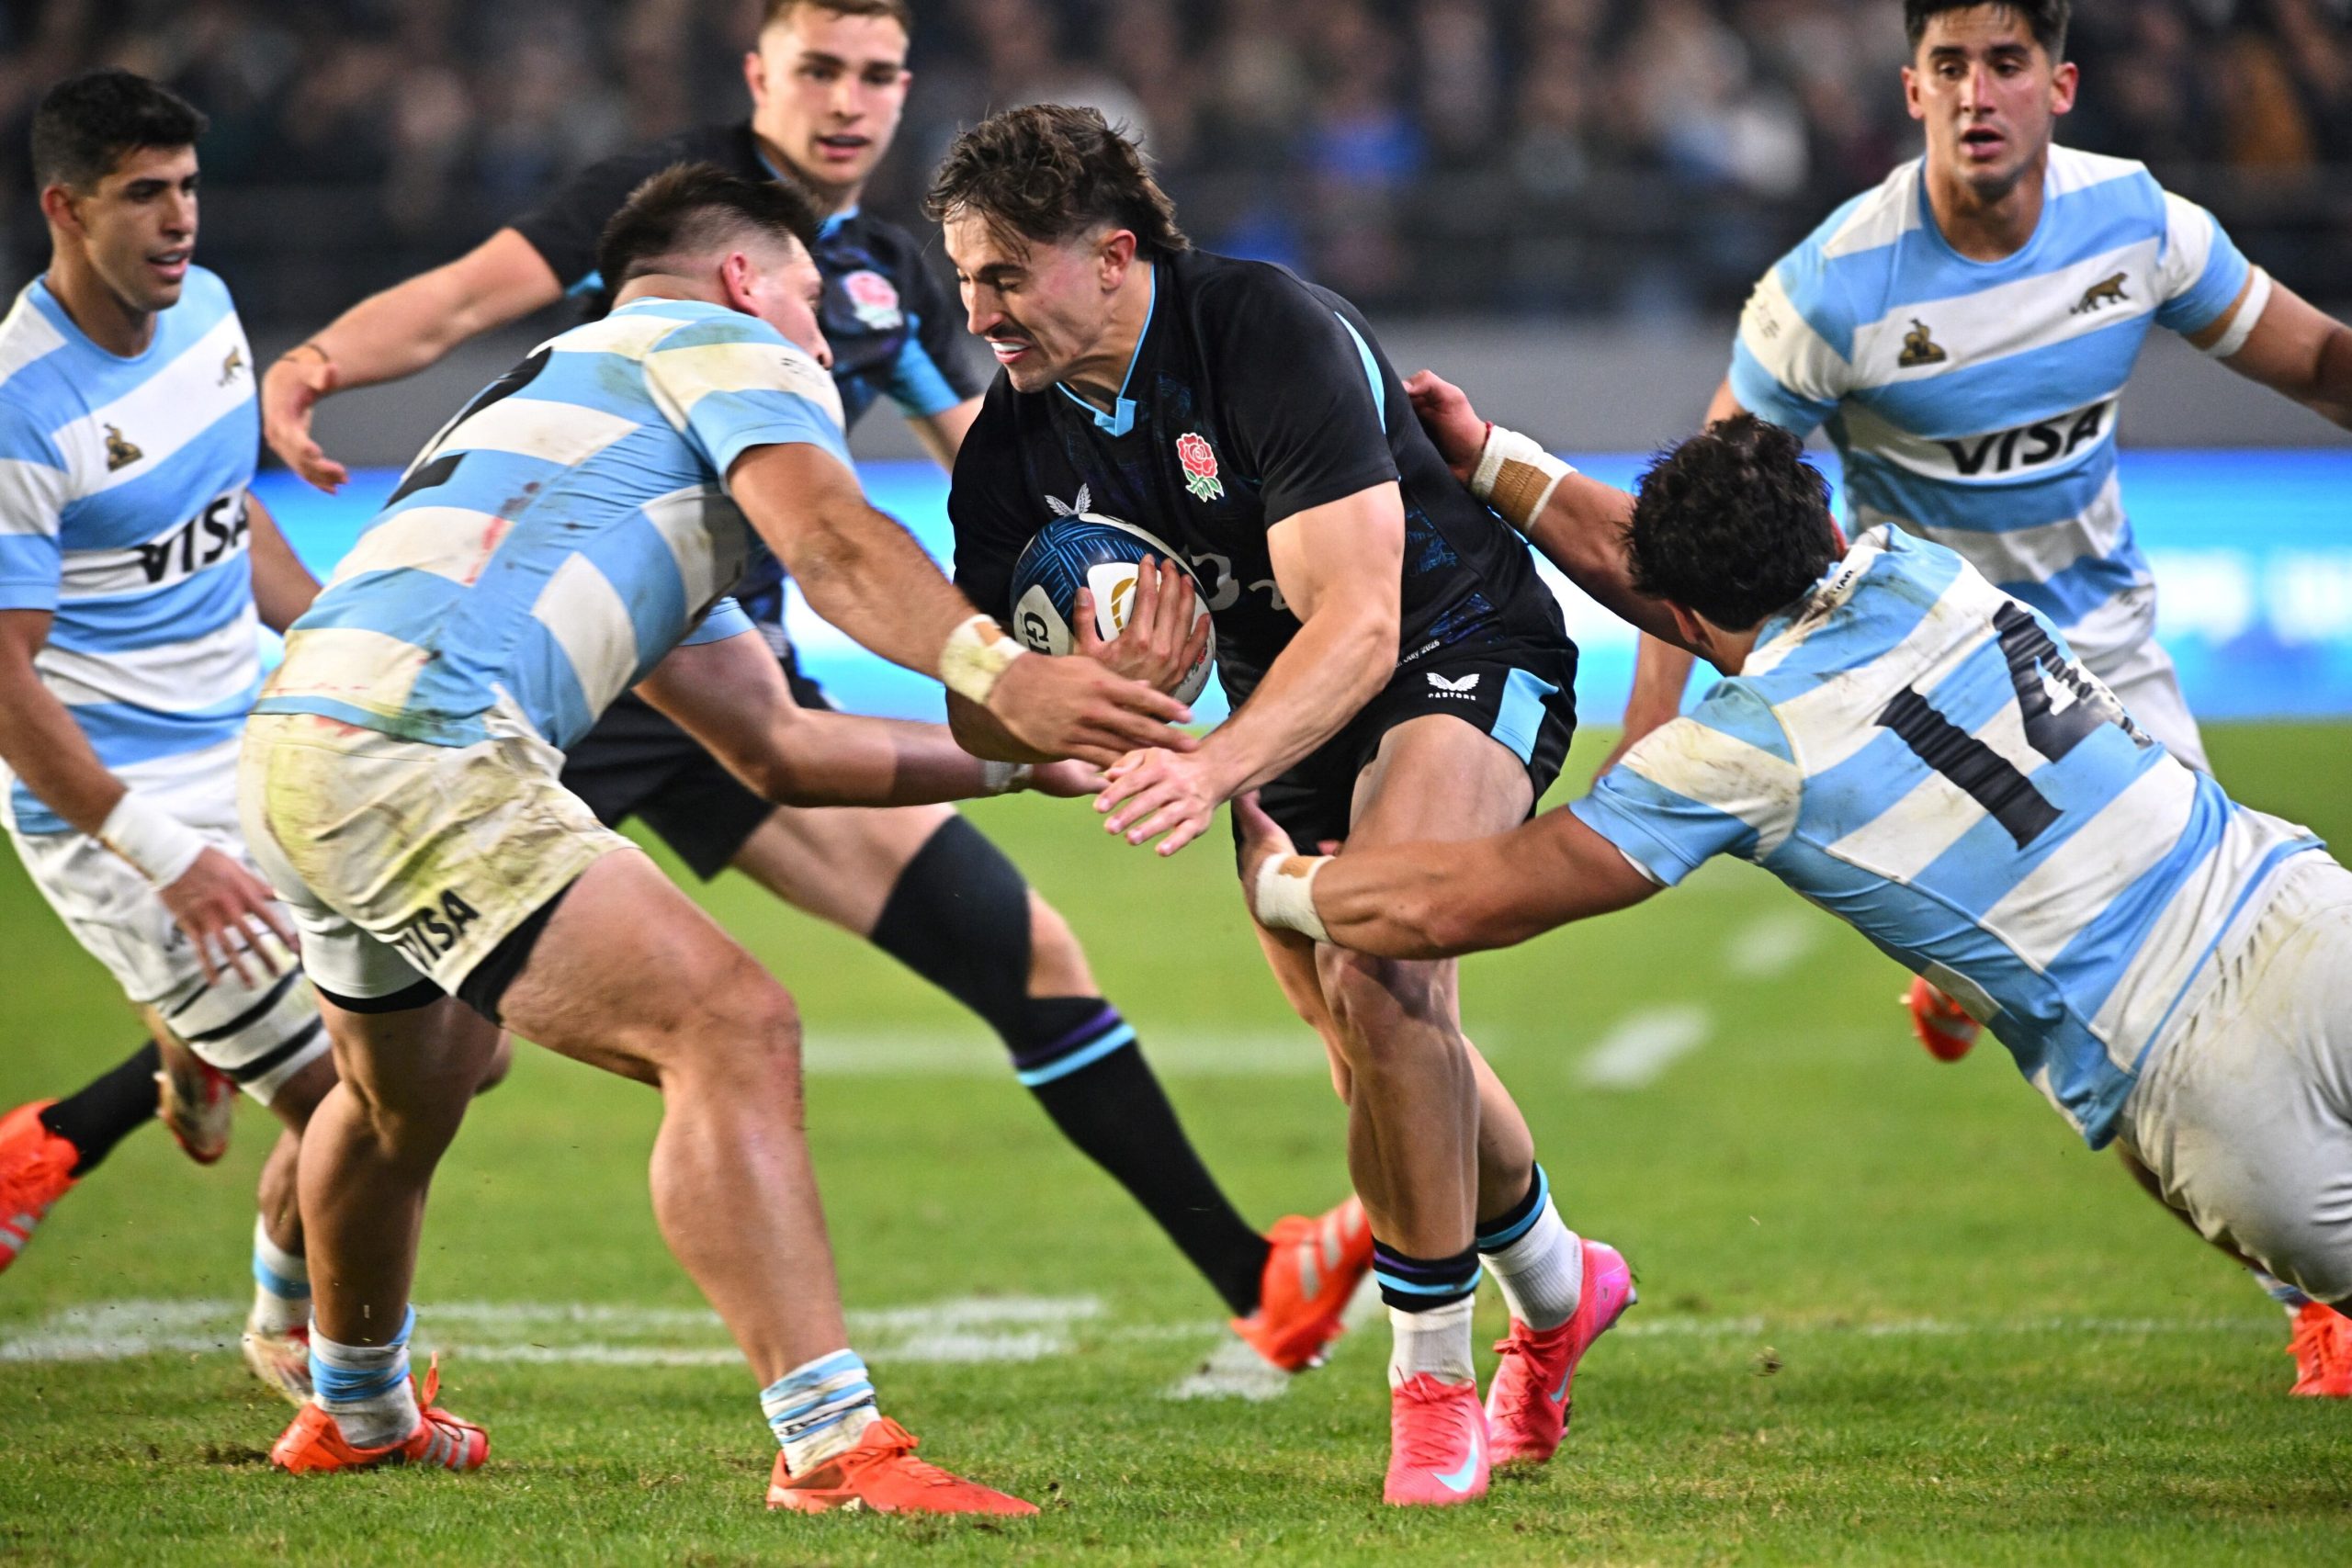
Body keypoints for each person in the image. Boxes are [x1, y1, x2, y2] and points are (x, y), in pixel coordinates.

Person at [257, 0, 1367, 1370]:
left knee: (1018, 950)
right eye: (821, 69)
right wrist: (316, 363)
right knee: (438, 1051)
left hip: (712, 655)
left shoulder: (896, 266)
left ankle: (1252, 1277)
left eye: (879, 74)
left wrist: (1071, 645)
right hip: (555, 681)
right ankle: (254, 1227)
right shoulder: (683, 223)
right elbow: (472, 301)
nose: (850, 101)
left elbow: (986, 452)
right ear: (758, 78)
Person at [241, 161, 1188, 1513]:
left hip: (301, 742)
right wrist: (1007, 674)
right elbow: (838, 540)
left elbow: (777, 747)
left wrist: (1018, 760)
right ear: (745, 278)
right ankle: (832, 1447)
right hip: (426, 747)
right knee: (731, 1026)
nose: (826, 341)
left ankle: (357, 1412)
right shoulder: (725, 345)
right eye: (811, 299)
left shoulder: (597, 424)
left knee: (403, 1099)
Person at [1240, 409, 2352, 1341]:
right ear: (1824, 525)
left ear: (1680, 617)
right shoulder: (1919, 569)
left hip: (2179, 1063)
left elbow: (1460, 899)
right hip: (2297, 908)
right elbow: (1651, 565)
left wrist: (1286, 888)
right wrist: (1490, 454)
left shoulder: (1739, 750)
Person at [1609, 0, 2352, 1386]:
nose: (1975, 95)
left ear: (2059, 85)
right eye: (1948, 67)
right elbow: (1693, 525)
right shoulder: (1831, 288)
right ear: (1911, 89)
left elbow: (2312, 358)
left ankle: (2308, 1284)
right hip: (1929, 686)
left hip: (2100, 661)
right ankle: (2308, 1284)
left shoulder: (2137, 225)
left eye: (2005, 64)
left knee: (2166, 1006)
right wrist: (1651, 738)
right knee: (2119, 1046)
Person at [933, 105, 1639, 1506]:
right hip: (1282, 710)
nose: (979, 312)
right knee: (1370, 1042)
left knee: (1383, 963)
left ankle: (1432, 1384)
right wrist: (1074, 694)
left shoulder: (1261, 331)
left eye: (1007, 273)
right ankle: (1562, 1285)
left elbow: (1363, 621)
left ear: (1113, 255)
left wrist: (1205, 764)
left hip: (1455, 646)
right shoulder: (1011, 449)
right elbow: (975, 705)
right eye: (964, 278)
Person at [0, 70, 344, 1401]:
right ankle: (301, 1343)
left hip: (250, 728)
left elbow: (224, 511)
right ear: (65, 209)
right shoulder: (23, 408)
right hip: (120, 800)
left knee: (460, 1043)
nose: (179, 219)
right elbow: (5, 681)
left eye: (188, 188)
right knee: (352, 1099)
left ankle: (189, 1049)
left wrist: (332, 640)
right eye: (145, 194)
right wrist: (164, 854)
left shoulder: (205, 309)